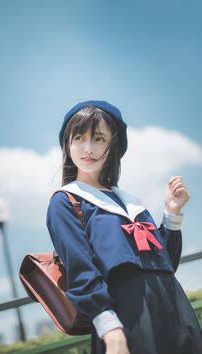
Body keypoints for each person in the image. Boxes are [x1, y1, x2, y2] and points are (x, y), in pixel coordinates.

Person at [46, 100, 202, 354]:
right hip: (128, 320)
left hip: (176, 311)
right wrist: (111, 330)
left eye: (98, 139)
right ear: (67, 144)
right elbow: (81, 271)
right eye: (79, 138)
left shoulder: (131, 201)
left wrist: (172, 213)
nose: (88, 148)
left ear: (113, 145)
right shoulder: (65, 202)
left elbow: (165, 264)